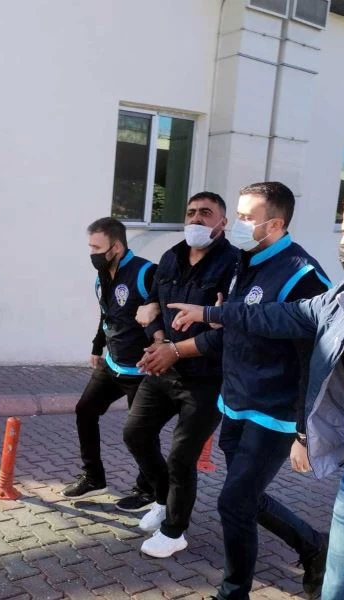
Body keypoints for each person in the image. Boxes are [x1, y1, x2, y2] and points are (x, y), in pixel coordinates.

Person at [170, 179, 344, 599]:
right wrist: (211, 313)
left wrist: (300, 431)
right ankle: (311, 550)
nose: (343, 243)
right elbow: (277, 316)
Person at [163, 182, 330, 599]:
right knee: (245, 497)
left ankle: (233, 592)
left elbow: (316, 360)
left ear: (274, 224)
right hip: (236, 403)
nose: (235, 224)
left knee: (234, 502)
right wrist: (188, 342)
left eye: (244, 217)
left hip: (274, 413)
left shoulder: (303, 276)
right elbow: (235, 329)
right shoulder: (246, 260)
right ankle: (314, 547)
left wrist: (304, 429)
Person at [121, 192, 238, 559]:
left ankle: (174, 531)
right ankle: (162, 499)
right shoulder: (171, 256)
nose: (196, 219)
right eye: (191, 212)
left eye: (206, 213)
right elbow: (151, 306)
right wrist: (158, 342)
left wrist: (174, 350)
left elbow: (228, 330)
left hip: (207, 379)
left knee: (182, 456)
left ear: (223, 222)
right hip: (164, 368)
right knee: (135, 433)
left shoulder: (235, 265)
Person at [61, 217, 156, 510]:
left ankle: (148, 490)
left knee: (141, 433)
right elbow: (107, 314)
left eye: (97, 248)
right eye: (90, 247)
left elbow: (162, 312)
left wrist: (160, 347)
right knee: (85, 411)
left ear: (116, 246)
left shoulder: (146, 272)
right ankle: (94, 477)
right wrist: (97, 346)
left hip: (141, 370)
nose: (92, 253)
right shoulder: (102, 275)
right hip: (112, 364)